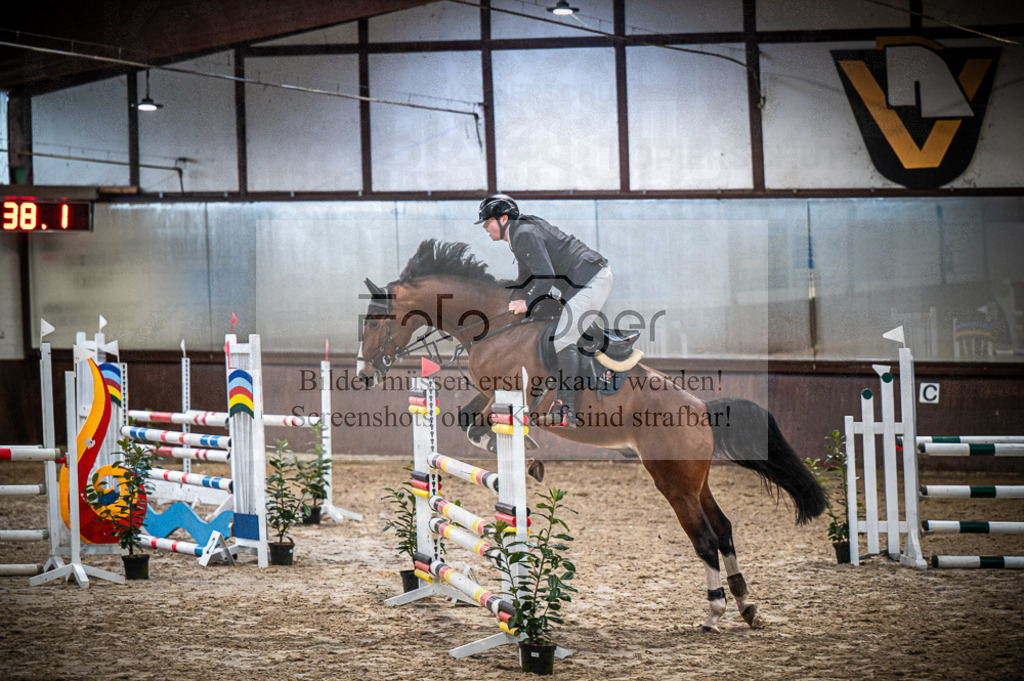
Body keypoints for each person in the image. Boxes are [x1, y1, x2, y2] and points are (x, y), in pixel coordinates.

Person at [476, 193, 612, 428]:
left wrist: (527, 303)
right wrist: (495, 290)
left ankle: (567, 411)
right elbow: (525, 279)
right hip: (577, 283)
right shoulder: (519, 234)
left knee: (562, 339)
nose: (485, 228)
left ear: (503, 219)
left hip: (591, 280)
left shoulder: (524, 234)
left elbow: (545, 277)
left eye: (488, 222)